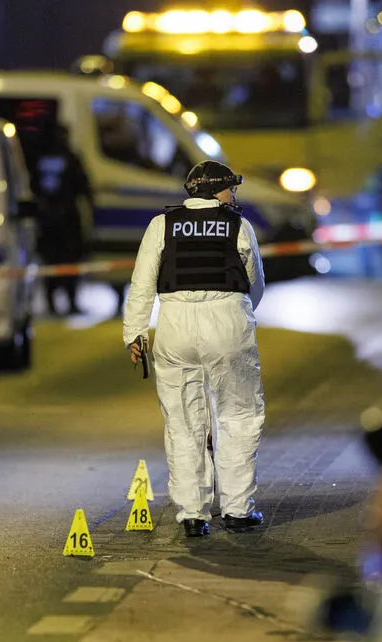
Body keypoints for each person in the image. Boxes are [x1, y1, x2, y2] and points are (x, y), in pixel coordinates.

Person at [123, 161, 266, 539]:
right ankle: (237, 510)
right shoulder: (238, 225)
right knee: (237, 416)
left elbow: (141, 285)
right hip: (226, 321)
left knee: (184, 423)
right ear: (215, 191)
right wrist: (238, 312)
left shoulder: (161, 225)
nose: (233, 195)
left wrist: (135, 335)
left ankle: (192, 513)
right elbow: (255, 284)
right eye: (229, 189)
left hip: (174, 326)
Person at [34, 124, 92, 315]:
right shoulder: (69, 157)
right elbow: (84, 186)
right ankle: (69, 302)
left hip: (48, 219)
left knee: (52, 262)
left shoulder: (39, 157)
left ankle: (54, 302)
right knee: (68, 261)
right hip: (66, 219)